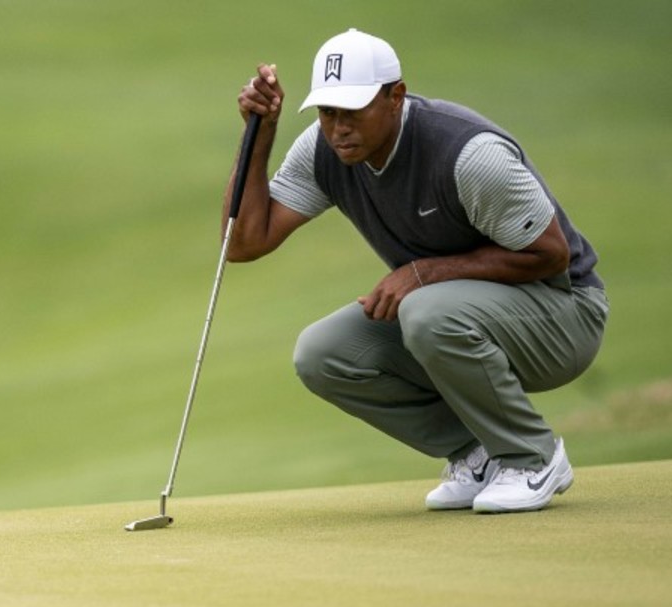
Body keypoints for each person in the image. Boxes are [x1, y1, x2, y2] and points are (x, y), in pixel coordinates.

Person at [228, 28, 608, 513]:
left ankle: (532, 457)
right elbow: (244, 242)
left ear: (396, 97)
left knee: (425, 310)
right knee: (323, 353)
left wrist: (425, 273)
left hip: (565, 314)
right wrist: (258, 135)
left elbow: (552, 255)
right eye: (327, 112)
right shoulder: (325, 151)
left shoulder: (467, 154)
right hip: (460, 316)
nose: (339, 128)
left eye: (353, 111)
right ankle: (478, 454)